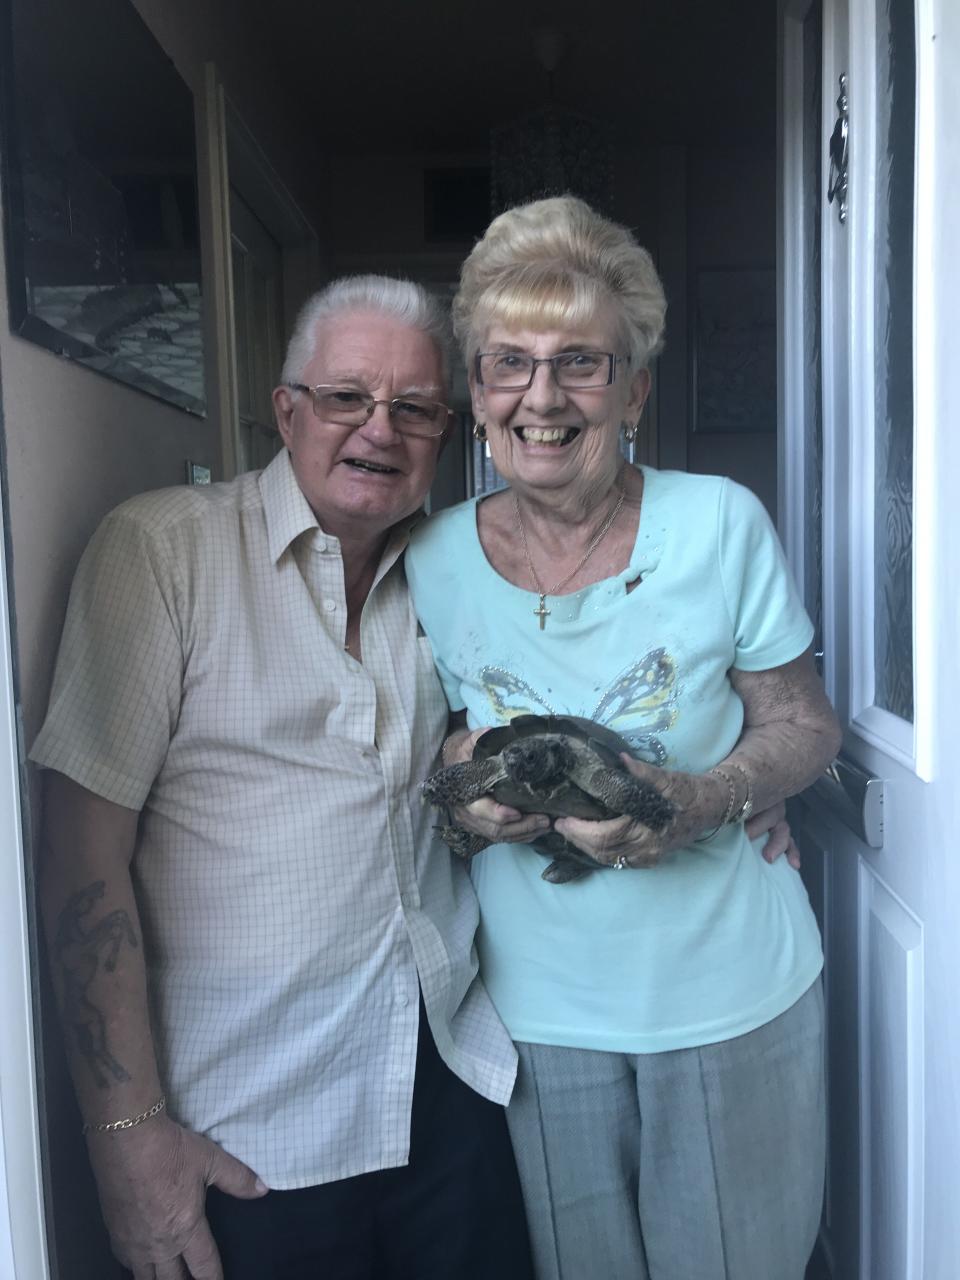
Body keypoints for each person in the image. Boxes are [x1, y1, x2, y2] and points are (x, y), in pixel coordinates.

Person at [32, 275, 535, 1280]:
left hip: (445, 1088)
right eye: (347, 396)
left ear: (445, 431)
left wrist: (740, 780)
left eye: (413, 407)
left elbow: (589, 692)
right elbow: (80, 858)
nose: (377, 430)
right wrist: (125, 1136)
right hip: (253, 1133)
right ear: (287, 409)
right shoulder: (163, 551)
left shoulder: (456, 570)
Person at [405, 196, 843, 1280]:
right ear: (475, 391)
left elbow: (803, 721)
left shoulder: (719, 522)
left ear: (636, 387)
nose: (541, 395)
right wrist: (469, 797)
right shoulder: (432, 556)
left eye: (581, 363)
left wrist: (707, 796)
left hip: (734, 993)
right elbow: (438, 746)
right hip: (535, 1019)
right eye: (509, 361)